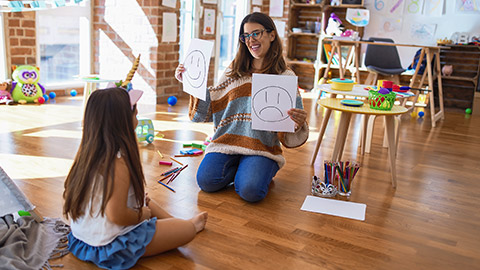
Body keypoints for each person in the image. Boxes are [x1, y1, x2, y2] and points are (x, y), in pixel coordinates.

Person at [63, 87, 208, 270]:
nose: (137, 120)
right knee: (186, 231)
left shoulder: (87, 154)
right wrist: (142, 215)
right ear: (122, 122)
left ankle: (180, 223)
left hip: (83, 237)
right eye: (136, 115)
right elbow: (116, 215)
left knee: (145, 200)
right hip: (110, 245)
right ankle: (187, 225)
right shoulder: (118, 163)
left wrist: (142, 207)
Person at [175, 12, 309, 203]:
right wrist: (190, 81)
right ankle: (245, 168)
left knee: (250, 191)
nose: (250, 40)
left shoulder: (285, 76)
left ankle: (257, 169)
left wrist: (298, 122)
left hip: (261, 148)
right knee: (206, 182)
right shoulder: (234, 70)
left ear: (272, 35)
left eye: (256, 33)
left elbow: (289, 129)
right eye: (246, 36)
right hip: (227, 143)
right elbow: (213, 104)